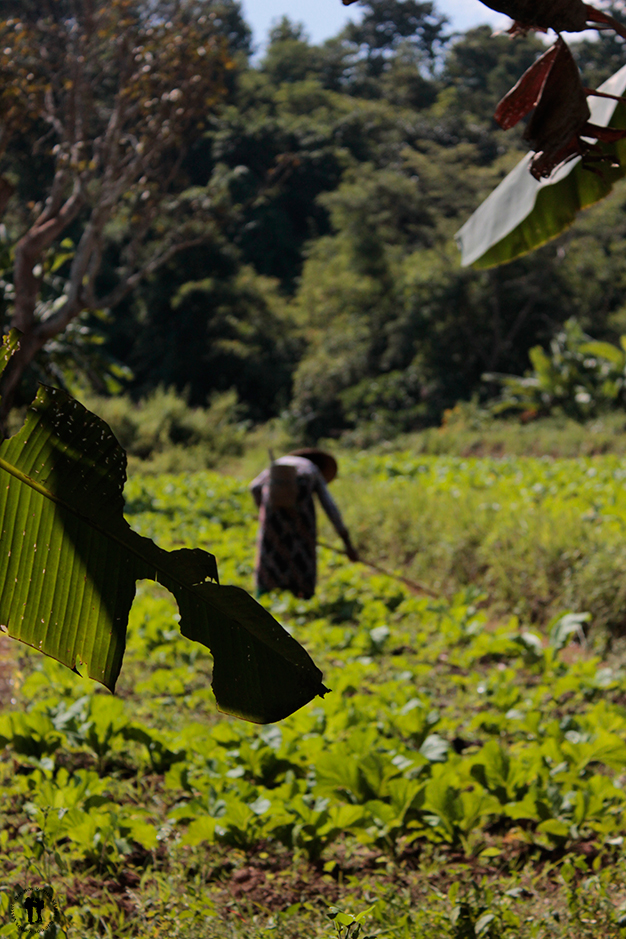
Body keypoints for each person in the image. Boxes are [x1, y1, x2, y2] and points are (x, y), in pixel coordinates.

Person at [250, 448, 358, 599]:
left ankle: (265, 596)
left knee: (270, 552)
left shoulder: (279, 464)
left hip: (272, 521)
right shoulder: (311, 469)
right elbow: (329, 506)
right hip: (302, 526)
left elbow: (254, 487)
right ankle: (302, 596)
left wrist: (264, 511)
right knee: (301, 556)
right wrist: (347, 542)